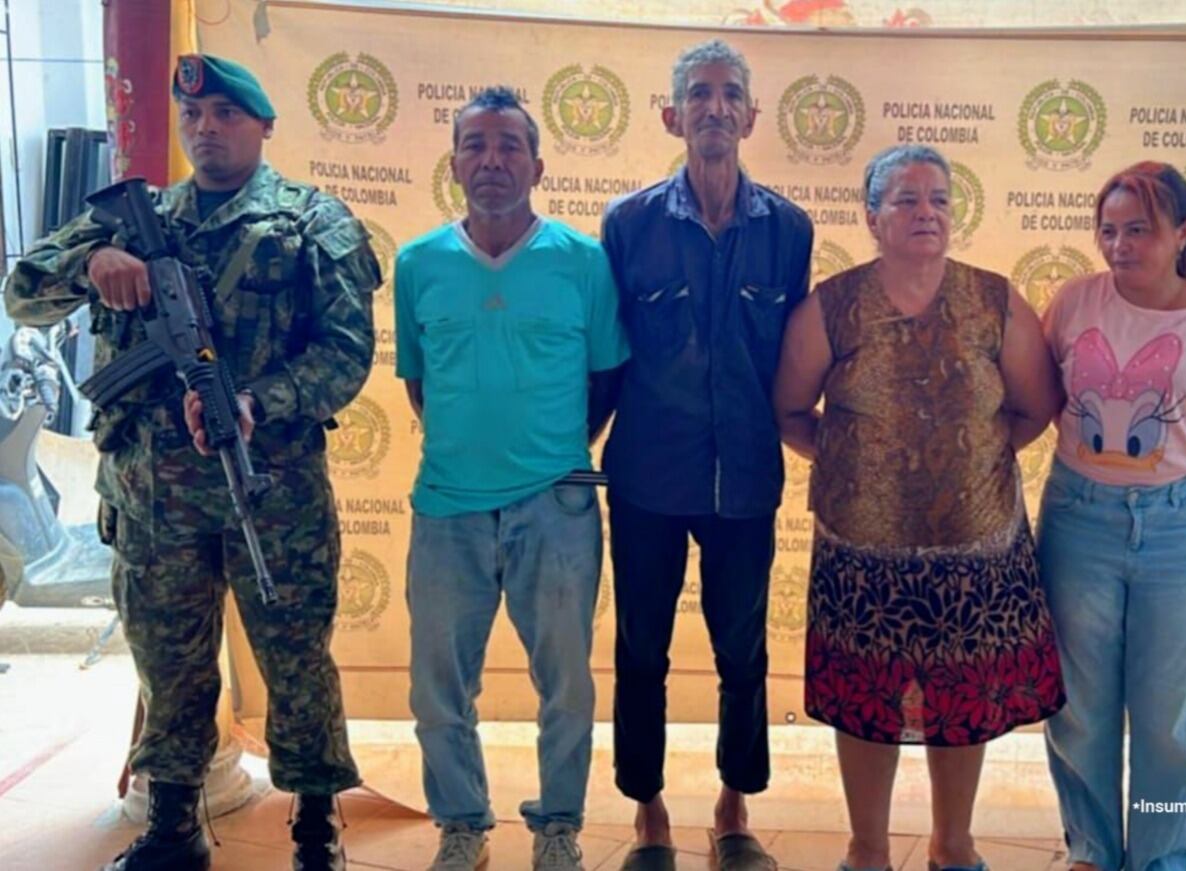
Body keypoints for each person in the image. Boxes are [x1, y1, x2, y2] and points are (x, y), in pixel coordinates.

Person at [4, 53, 380, 871]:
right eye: (194, 119)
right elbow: (23, 291)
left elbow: (346, 356)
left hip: (270, 489)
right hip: (150, 496)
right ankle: (174, 823)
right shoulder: (129, 220)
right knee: (167, 656)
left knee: (296, 657)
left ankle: (316, 827)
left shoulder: (313, 223)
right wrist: (88, 265)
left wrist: (257, 401)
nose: (206, 131)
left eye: (226, 117)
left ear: (263, 124)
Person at [773, 144, 1066, 871]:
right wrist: (860, 471)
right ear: (871, 216)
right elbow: (788, 410)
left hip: (975, 549)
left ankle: (953, 844)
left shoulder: (995, 299)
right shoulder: (831, 305)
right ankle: (867, 848)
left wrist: (973, 467)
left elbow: (1035, 406)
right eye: (904, 198)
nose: (925, 211)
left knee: (962, 699)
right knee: (864, 700)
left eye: (938, 197)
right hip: (860, 551)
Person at [394, 86, 627, 871]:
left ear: (538, 163)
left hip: (556, 505)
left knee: (565, 683)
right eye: (475, 145)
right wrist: (473, 451)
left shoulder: (582, 261)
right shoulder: (418, 263)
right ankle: (462, 823)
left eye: (509, 146)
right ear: (454, 159)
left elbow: (607, 379)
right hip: (447, 509)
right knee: (436, 686)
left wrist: (548, 453)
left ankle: (557, 823)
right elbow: (419, 383)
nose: (492, 161)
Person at [600, 38, 812, 871]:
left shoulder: (789, 229)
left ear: (752, 116)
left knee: (742, 650)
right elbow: (608, 350)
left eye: (730, 94)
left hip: (747, 477)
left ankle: (733, 807)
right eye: (699, 94)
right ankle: (649, 811)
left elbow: (796, 354)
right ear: (672, 114)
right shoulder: (629, 223)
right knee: (641, 648)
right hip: (648, 474)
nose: (715, 107)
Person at [1038, 162, 1186, 871]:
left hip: (1181, 526)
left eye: (1139, 228)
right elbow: (1042, 390)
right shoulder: (1075, 302)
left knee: (1170, 717)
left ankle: (1163, 858)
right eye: (1108, 229)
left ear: (1184, 232)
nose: (1119, 244)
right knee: (1078, 708)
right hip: (1079, 520)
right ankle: (1091, 851)